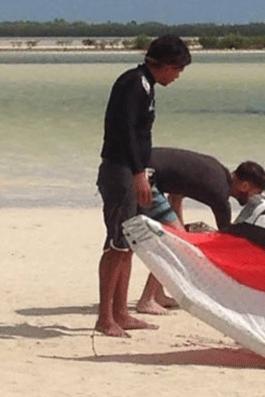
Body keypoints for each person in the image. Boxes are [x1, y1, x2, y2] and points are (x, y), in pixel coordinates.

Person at [95, 35, 191, 338]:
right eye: (177, 70)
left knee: (130, 245)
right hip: (120, 171)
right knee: (117, 244)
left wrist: (144, 172)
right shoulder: (133, 83)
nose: (177, 76)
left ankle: (121, 313)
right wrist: (137, 174)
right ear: (165, 65)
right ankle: (105, 318)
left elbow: (140, 136)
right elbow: (124, 133)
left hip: (133, 171)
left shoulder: (147, 86)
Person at [135, 147, 234, 315]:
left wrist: (183, 234)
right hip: (144, 177)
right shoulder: (220, 191)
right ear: (246, 184)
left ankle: (157, 295)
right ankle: (147, 300)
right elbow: (227, 237)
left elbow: (175, 197)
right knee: (174, 243)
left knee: (176, 238)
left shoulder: (213, 169)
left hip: (139, 168)